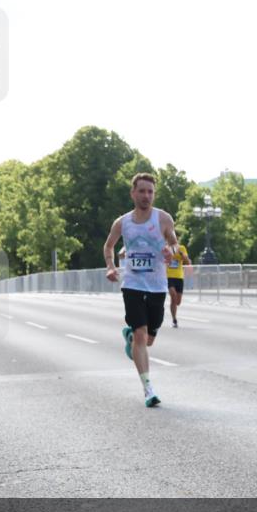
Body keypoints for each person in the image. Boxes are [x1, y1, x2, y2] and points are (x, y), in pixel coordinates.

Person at [103, 173, 178, 408]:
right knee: (141, 334)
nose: (146, 196)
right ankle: (148, 389)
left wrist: (171, 251)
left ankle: (131, 337)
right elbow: (109, 245)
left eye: (150, 192)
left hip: (157, 285)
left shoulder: (163, 219)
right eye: (142, 191)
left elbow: (174, 243)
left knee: (150, 339)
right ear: (133, 193)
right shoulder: (122, 222)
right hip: (133, 284)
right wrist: (111, 267)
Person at [166, 241, 192, 327]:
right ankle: (174, 320)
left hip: (179, 277)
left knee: (178, 302)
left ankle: (174, 314)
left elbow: (188, 262)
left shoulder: (182, 248)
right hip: (169, 276)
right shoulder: (165, 248)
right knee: (173, 296)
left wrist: (180, 253)